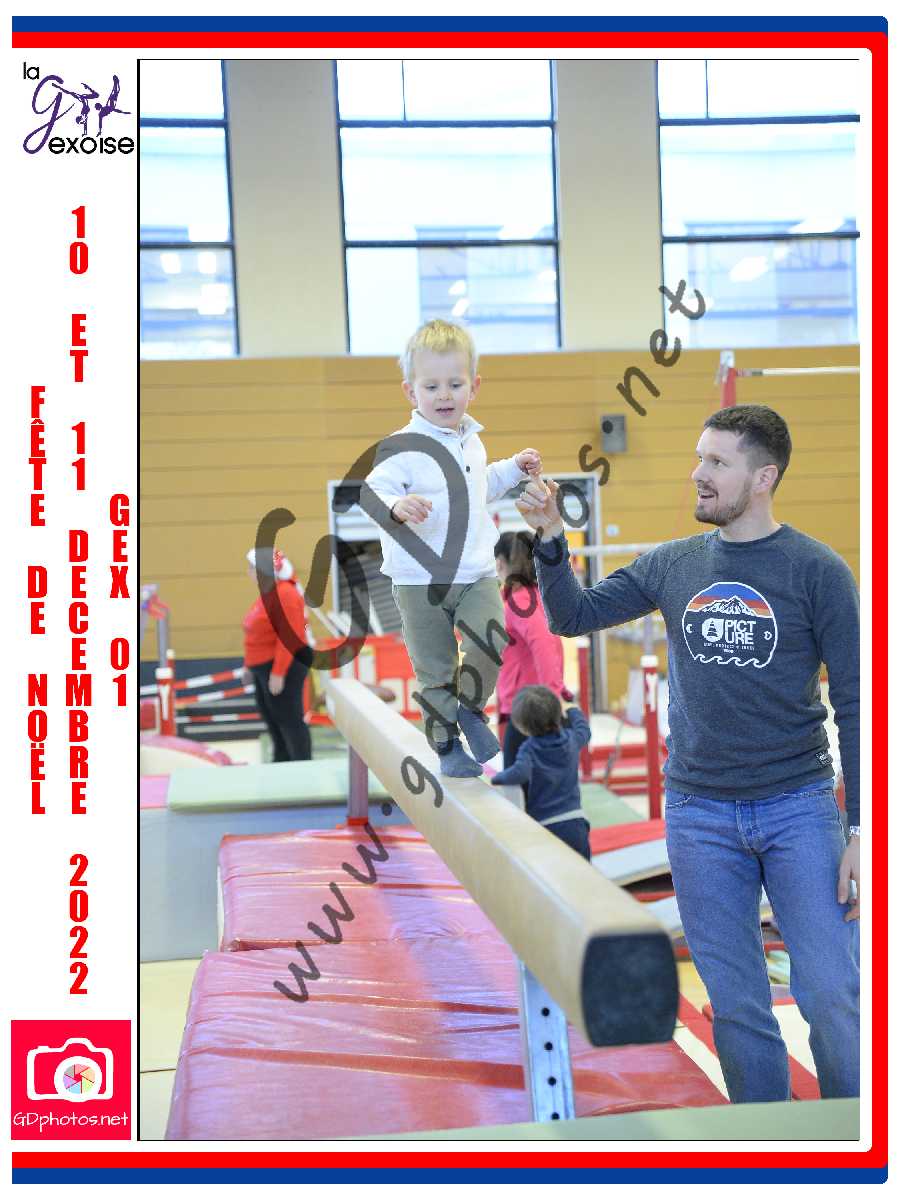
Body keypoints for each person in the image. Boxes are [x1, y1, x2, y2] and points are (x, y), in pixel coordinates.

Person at [516, 404, 860, 1104]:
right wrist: (550, 535)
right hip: (700, 812)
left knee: (831, 993)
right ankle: (765, 1147)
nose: (699, 473)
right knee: (735, 1003)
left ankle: (856, 1138)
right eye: (700, 457)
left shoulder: (817, 571)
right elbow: (573, 616)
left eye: (717, 462)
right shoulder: (674, 564)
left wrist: (866, 829)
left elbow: (858, 702)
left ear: (763, 477)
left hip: (798, 806)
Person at [362, 318, 542, 777]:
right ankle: (446, 746)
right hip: (418, 579)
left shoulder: (472, 443)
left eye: (455, 384)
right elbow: (371, 492)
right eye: (432, 386)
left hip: (474, 571)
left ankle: (471, 709)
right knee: (436, 668)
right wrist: (396, 506)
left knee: (491, 638)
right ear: (411, 392)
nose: (444, 395)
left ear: (474, 386)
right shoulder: (402, 446)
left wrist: (513, 468)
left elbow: (484, 486)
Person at [494, 529, 572, 770]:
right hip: (527, 704)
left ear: (500, 563)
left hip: (530, 711)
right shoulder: (531, 596)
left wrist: (552, 698)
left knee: (520, 785)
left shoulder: (521, 601)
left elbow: (544, 644)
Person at [490, 685, 592, 860]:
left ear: (522, 728)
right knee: (582, 873)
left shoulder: (529, 749)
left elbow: (519, 773)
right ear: (558, 713)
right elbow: (584, 731)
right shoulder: (571, 739)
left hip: (546, 826)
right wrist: (573, 709)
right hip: (575, 823)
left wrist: (497, 779)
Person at [242, 547, 313, 762]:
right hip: (264, 667)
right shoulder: (268, 593)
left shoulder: (286, 594)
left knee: (289, 720)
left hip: (284, 666)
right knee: (272, 718)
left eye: (252, 568)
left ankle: (301, 764)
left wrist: (279, 672)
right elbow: (254, 634)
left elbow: (289, 638)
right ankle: (281, 761)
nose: (248, 572)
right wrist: (249, 666)